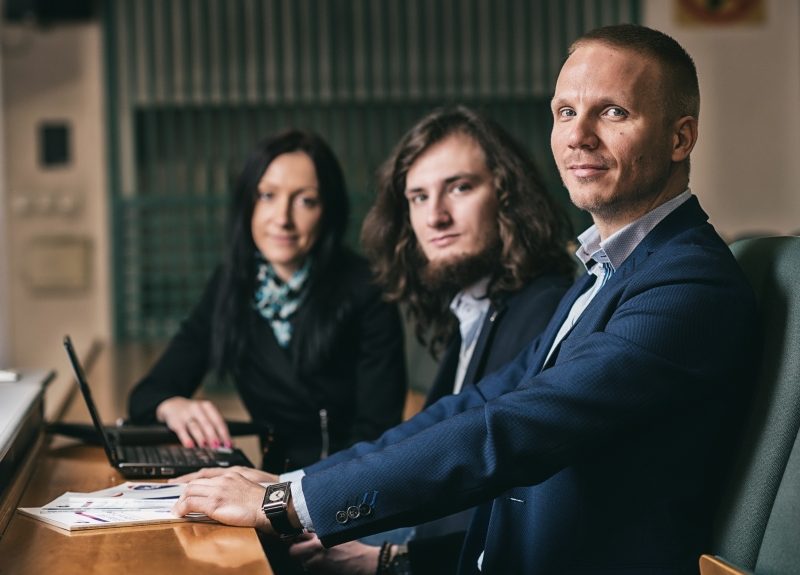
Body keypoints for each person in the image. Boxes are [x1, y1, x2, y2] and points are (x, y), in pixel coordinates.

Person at [172, 24, 760, 575]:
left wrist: (286, 505)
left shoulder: (688, 284)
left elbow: (513, 429)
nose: (578, 135)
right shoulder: (605, 271)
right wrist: (294, 485)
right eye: (564, 112)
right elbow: (476, 406)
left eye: (612, 111)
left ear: (681, 136)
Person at [286, 106, 575, 574]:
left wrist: (388, 561)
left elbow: (513, 508)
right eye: (418, 198)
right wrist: (288, 489)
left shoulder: (543, 310)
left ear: (507, 196)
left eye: (460, 188)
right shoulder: (475, 307)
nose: (435, 217)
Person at [128, 129, 407, 473]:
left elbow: (377, 435)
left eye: (306, 200)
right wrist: (172, 406)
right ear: (247, 203)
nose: (283, 218)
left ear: (328, 211)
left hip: (346, 492)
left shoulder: (367, 289)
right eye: (267, 196)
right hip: (268, 487)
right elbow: (146, 395)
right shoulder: (231, 285)